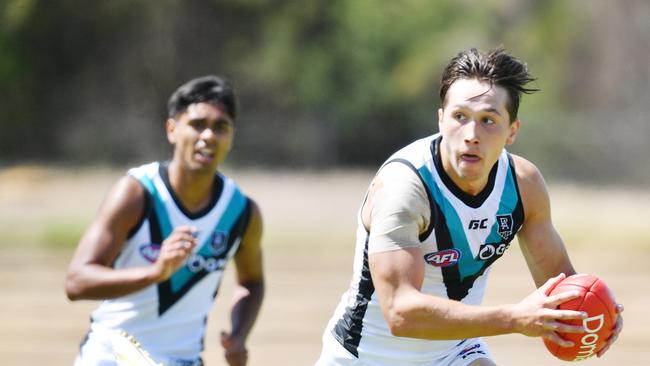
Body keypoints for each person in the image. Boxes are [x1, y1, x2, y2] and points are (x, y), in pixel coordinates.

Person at [316, 48, 623, 366]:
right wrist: (514, 318)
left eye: (488, 120)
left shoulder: (522, 185)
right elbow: (400, 312)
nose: (471, 135)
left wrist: (595, 314)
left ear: (512, 131)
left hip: (453, 354)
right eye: (460, 117)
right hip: (365, 357)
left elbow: (563, 287)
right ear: (441, 119)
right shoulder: (405, 188)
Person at [65, 75, 264, 366]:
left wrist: (239, 334)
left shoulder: (241, 212)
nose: (208, 136)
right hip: (111, 356)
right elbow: (77, 281)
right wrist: (156, 272)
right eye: (197, 124)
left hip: (181, 360)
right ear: (172, 129)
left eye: (220, 127)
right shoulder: (137, 193)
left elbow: (252, 282)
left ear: (231, 137)